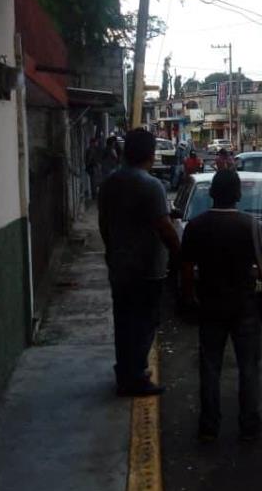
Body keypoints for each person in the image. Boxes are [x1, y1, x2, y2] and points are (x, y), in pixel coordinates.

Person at [180, 170, 262, 442]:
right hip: (244, 307)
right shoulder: (251, 226)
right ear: (238, 195)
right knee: (249, 368)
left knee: (210, 368)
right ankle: (249, 425)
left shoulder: (196, 226)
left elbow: (186, 269)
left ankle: (209, 427)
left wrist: (189, 297)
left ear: (212, 194)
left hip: (210, 305)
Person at [98, 129, 181, 396]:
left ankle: (126, 373)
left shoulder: (110, 182)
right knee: (145, 324)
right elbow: (165, 228)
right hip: (147, 269)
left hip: (119, 266)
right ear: (150, 153)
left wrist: (113, 250)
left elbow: (104, 224)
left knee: (124, 322)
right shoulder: (151, 185)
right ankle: (136, 377)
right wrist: (180, 254)